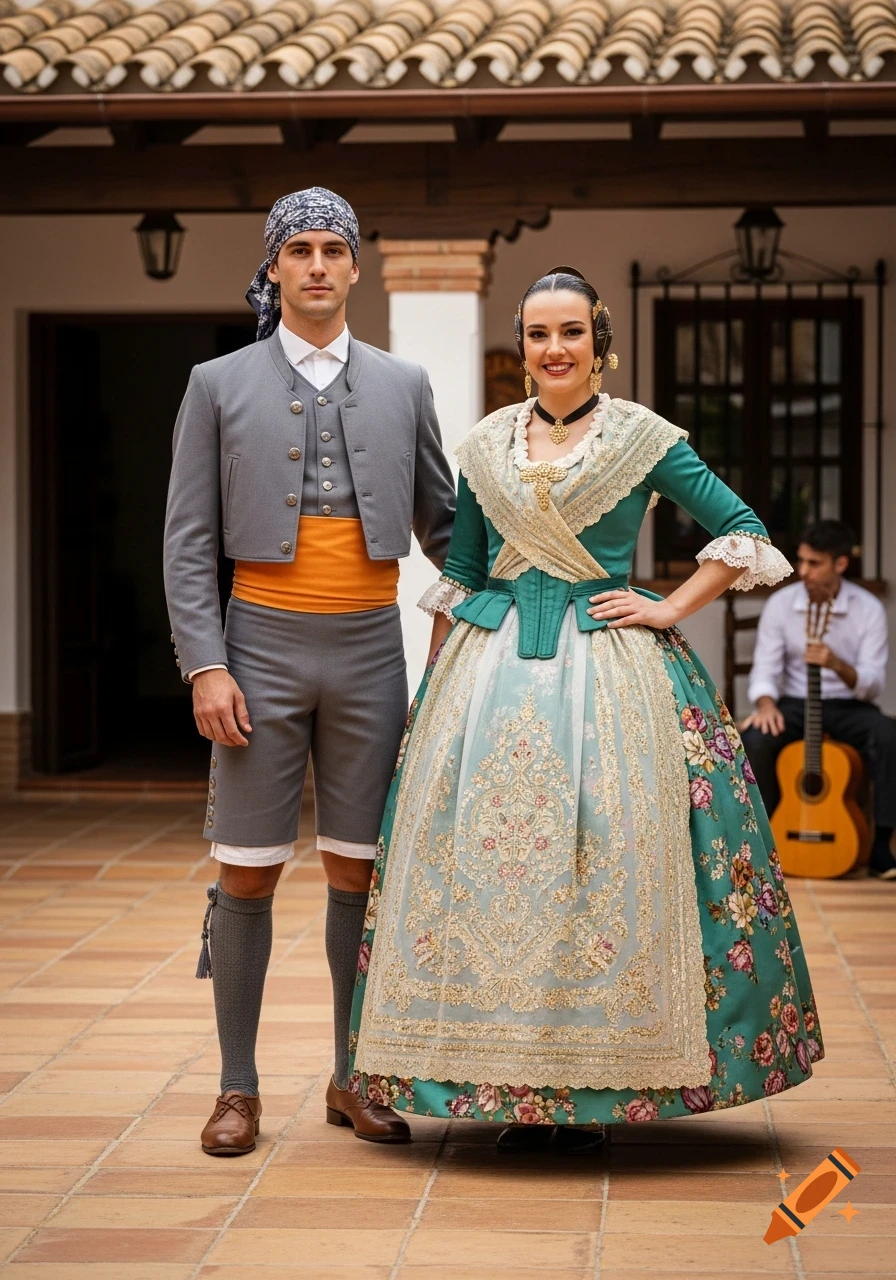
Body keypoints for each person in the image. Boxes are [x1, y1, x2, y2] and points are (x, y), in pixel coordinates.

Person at [347, 266, 825, 1152]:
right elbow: (467, 571)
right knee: (495, 876)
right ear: (523, 345)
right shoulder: (489, 440)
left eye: (571, 332)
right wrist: (434, 699)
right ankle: (506, 1088)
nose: (553, 350)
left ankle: (592, 1097)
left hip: (609, 673)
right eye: (537, 334)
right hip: (490, 680)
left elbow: (743, 530)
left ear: (598, 341)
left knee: (607, 861)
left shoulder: (644, 436)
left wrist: (671, 607)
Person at [163, 187, 455, 1155]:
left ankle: (352, 1075)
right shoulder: (216, 382)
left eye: (336, 249)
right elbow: (187, 542)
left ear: (357, 267)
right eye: (302, 251)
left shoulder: (404, 382)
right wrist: (206, 662)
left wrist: (501, 594)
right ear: (275, 267)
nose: (320, 265)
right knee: (243, 872)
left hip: (372, 648)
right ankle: (236, 1088)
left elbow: (445, 529)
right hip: (258, 648)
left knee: (359, 873)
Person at [742, 521, 895, 879]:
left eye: (814, 563)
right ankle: (768, 840)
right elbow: (765, 668)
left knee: (889, 737)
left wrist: (837, 664)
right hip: (796, 702)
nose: (803, 572)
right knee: (755, 741)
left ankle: (881, 847)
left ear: (840, 564)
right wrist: (765, 704)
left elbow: (872, 684)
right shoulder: (781, 605)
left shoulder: (868, 609)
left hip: (848, 704)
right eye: (802, 561)